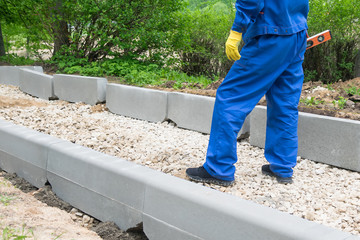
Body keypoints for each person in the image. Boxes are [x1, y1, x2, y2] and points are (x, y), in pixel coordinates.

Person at [186, 0, 309, 186]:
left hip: (270, 34)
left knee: (230, 97)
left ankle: (218, 168)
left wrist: (237, 30)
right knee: (284, 103)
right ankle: (282, 167)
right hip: (297, 33)